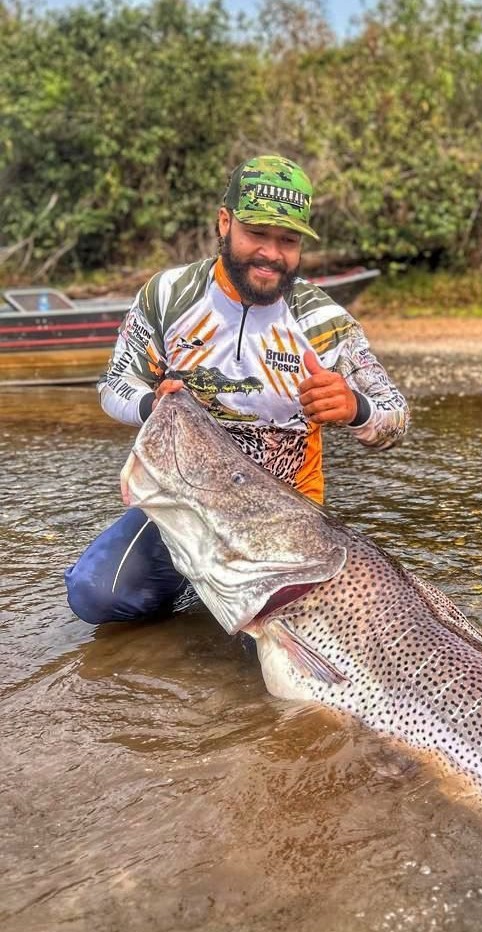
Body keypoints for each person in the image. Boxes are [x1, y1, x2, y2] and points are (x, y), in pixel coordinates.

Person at [65, 154, 408, 624]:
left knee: (278, 658)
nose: (271, 253)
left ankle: (213, 595)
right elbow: (114, 385)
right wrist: (153, 404)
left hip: (286, 517)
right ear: (224, 223)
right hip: (183, 500)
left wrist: (355, 408)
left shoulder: (324, 323)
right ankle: (193, 591)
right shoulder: (168, 296)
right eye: (257, 234)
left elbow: (395, 414)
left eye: (287, 240)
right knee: (96, 595)